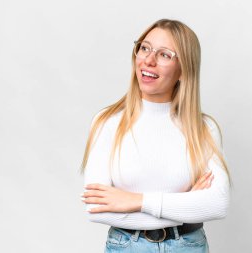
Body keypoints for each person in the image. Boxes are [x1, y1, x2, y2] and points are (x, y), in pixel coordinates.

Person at [80, 18, 231, 253]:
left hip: (188, 246)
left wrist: (136, 201)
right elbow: (97, 208)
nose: (148, 60)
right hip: (126, 246)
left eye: (164, 54)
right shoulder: (107, 122)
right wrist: (185, 204)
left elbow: (217, 204)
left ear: (184, 69)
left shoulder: (203, 128)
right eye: (145, 48)